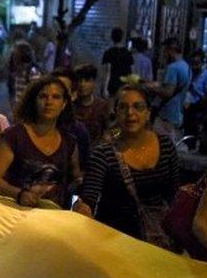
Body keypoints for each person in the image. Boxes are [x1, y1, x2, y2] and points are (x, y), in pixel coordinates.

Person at [74, 84, 180, 249]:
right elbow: (89, 197)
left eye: (138, 107)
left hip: (158, 242)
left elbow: (174, 195)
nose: (130, 113)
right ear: (116, 113)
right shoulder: (104, 153)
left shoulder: (165, 145)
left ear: (148, 112)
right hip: (116, 241)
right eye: (123, 107)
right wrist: (83, 209)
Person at [0, 76, 82, 209]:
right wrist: (19, 194)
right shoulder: (15, 136)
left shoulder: (69, 142)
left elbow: (75, 181)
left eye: (56, 97)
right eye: (43, 96)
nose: (49, 102)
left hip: (54, 218)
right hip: (16, 215)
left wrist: (80, 202)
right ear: (33, 101)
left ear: (64, 104)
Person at [150, 39, 191, 140]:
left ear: (171, 51)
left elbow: (168, 92)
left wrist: (152, 88)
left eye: (165, 51)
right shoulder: (186, 66)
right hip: (178, 112)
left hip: (167, 113)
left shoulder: (172, 68)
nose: (164, 54)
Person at [72, 64, 111, 147]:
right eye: (79, 81)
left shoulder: (102, 106)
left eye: (87, 80)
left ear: (94, 83)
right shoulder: (71, 106)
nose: (82, 85)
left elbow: (117, 129)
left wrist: (108, 138)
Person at [101, 27, 133, 98]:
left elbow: (107, 72)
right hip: (124, 85)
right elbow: (130, 71)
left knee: (111, 107)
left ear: (112, 38)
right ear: (122, 38)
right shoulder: (128, 53)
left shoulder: (108, 52)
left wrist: (105, 88)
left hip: (112, 84)